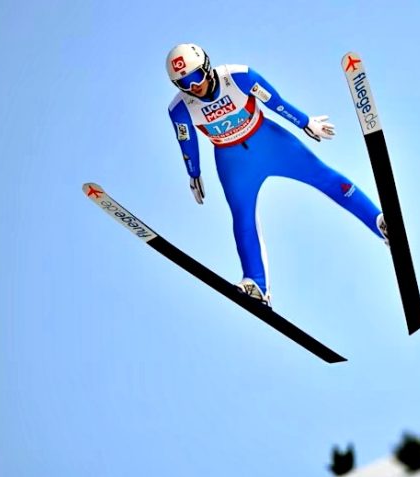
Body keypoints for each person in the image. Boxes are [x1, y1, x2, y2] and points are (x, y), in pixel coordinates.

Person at [166, 43, 388, 306]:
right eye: (184, 84)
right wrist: (194, 173)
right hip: (233, 163)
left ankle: (380, 223)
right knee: (242, 217)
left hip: (271, 143)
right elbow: (187, 142)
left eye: (196, 78)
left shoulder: (238, 77)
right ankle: (256, 284)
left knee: (324, 177)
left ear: (206, 67)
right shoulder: (180, 109)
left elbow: (276, 102)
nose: (194, 88)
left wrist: (306, 122)